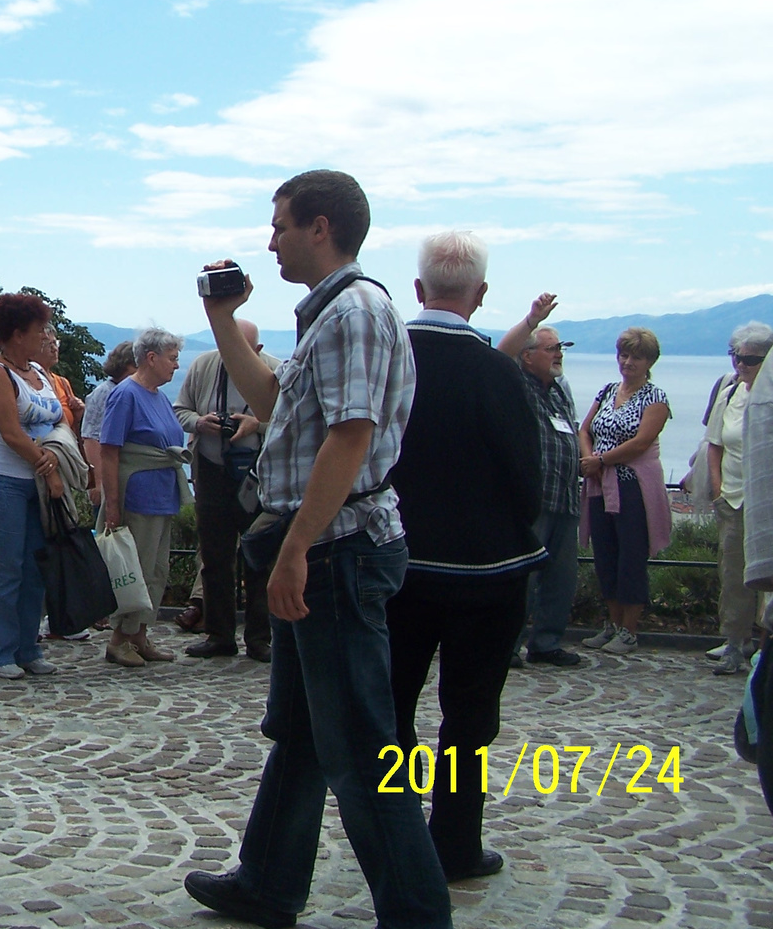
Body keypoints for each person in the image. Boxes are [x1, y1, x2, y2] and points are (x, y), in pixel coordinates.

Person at [187, 169, 451, 929]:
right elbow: (274, 403)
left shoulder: (355, 314)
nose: (269, 239)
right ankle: (268, 882)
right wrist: (222, 320)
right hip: (328, 548)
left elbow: (352, 435)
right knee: (302, 732)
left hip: (336, 551)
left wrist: (297, 545)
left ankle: (417, 912)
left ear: (321, 226)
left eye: (279, 225)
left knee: (363, 750)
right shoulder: (332, 315)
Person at [386, 232, 544, 883]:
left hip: (396, 565)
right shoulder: (502, 373)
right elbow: (527, 480)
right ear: (480, 296)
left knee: (391, 707)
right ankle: (454, 841)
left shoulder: (388, 363)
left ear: (418, 290)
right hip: (487, 574)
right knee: (469, 715)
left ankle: (392, 835)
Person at [0, 293, 66, 680]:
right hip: (3, 478)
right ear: (16, 334)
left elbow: (59, 416)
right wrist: (49, 468)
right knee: (8, 564)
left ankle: (28, 646)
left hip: (37, 480)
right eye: (37, 330)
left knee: (36, 567)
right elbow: (11, 432)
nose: (44, 336)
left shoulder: (40, 375)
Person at [173, 324, 278, 662]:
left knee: (259, 556)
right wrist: (200, 422)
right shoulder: (204, 366)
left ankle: (260, 637)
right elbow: (180, 411)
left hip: (257, 474)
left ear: (257, 350)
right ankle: (219, 635)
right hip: (212, 471)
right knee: (215, 557)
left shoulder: (274, 371)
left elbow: (289, 420)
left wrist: (255, 426)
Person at [497, 296, 583, 668]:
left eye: (561, 348)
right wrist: (531, 320)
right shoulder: (517, 381)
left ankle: (547, 642)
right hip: (534, 499)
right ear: (529, 356)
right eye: (551, 349)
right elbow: (502, 353)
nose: (559, 354)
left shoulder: (561, 389)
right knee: (524, 580)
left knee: (562, 578)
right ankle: (507, 645)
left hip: (564, 498)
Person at [98, 327, 191, 669]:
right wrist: (112, 504)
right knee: (135, 569)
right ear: (151, 358)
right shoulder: (126, 395)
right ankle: (120, 638)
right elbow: (109, 451)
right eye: (172, 358)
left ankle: (139, 636)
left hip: (162, 493)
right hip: (138, 496)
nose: (176, 366)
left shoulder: (158, 396)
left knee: (156, 569)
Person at [579, 328, 672, 656]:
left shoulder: (655, 398)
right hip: (599, 487)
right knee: (605, 555)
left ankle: (629, 630)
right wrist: (590, 458)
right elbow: (584, 429)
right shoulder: (606, 391)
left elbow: (641, 442)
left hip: (633, 489)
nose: (628, 362)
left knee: (631, 557)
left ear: (649, 362)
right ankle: (613, 624)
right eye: (624, 355)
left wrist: (601, 459)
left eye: (636, 357)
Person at [703, 323, 772, 674]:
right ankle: (734, 641)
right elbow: (714, 443)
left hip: (765, 500)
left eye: (750, 359)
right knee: (732, 575)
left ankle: (763, 644)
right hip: (732, 498)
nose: (741, 365)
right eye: (736, 357)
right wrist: (717, 490)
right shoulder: (728, 392)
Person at [81, 342, 136, 509]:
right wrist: (98, 483)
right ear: (128, 366)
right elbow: (91, 438)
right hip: (107, 478)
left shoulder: (130, 391)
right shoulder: (105, 393)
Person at [37, 326, 86, 433]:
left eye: (55, 343)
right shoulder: (28, 381)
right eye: (48, 345)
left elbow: (69, 428)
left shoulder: (62, 382)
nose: (54, 349)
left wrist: (77, 415)